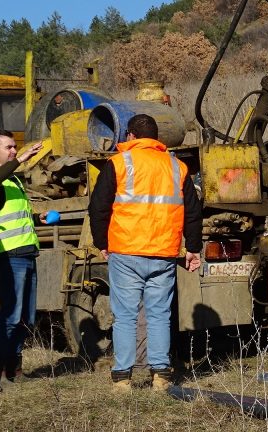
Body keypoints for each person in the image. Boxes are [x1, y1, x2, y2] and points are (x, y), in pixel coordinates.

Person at [88, 114, 202, 392]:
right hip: (163, 252)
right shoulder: (177, 167)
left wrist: (102, 242)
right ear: (156, 138)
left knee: (125, 316)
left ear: (129, 136)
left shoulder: (117, 164)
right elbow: (193, 211)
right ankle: (161, 376)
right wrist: (194, 248)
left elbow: (98, 208)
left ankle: (123, 379)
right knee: (159, 315)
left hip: (125, 252)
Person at [0, 130, 44, 391]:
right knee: (11, 316)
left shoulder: (14, 182)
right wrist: (22, 158)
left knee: (25, 316)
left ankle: (15, 369)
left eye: (16, 147)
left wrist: (38, 218)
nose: (14, 150)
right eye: (9, 147)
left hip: (27, 253)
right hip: (8, 256)